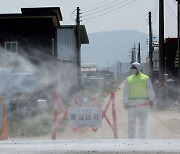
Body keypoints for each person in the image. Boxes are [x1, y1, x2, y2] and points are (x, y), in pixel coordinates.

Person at [123, 62, 155, 139]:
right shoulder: (129, 79)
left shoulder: (145, 78)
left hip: (143, 105)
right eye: (132, 68)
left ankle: (143, 137)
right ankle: (131, 138)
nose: (132, 69)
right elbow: (126, 91)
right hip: (132, 105)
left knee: (143, 122)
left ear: (138, 68)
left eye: (134, 68)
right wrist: (125, 102)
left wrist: (151, 99)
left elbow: (150, 90)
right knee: (131, 123)